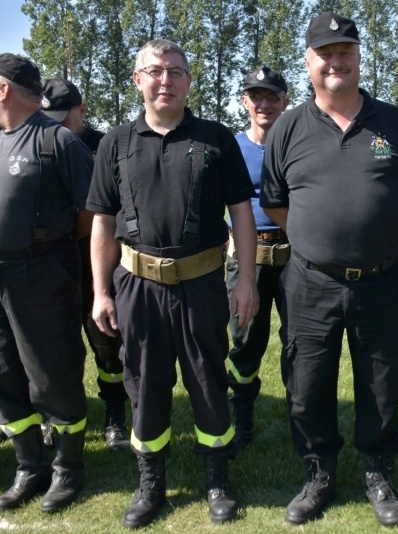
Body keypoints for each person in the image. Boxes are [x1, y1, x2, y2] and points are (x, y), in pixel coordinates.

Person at [260, 12, 398, 527]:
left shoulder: (394, 122)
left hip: (381, 281)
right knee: (307, 384)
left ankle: (378, 471)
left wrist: (369, 237)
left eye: (345, 52)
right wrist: (321, 241)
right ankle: (319, 473)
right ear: (308, 61)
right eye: (325, 53)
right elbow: (276, 203)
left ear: (358, 57)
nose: (336, 62)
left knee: (382, 382)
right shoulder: (288, 127)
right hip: (310, 282)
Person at [87, 39, 259, 528]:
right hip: (137, 286)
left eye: (176, 72)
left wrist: (246, 280)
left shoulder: (216, 138)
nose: (166, 81)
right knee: (144, 383)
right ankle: (151, 482)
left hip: (202, 283)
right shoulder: (115, 143)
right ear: (138, 79)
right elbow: (103, 222)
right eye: (156, 71)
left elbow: (242, 214)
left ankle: (217, 479)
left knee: (208, 380)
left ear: (188, 80)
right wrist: (101, 291)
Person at [0, 53, 93, 513]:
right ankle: (30, 465)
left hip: (42, 272)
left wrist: (49, 246)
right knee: (1, 371)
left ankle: (68, 468)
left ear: (3, 88)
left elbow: (91, 212)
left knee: (52, 374)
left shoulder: (58, 141)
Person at [42, 77, 131, 451]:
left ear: (83, 109)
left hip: (96, 259)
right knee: (53, 347)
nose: (57, 125)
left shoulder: (104, 145)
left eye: (64, 117)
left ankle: (115, 416)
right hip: (51, 262)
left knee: (108, 345)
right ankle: (54, 417)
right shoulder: (40, 143)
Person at [226, 66, 290, 450]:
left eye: (272, 96)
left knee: (299, 342)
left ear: (285, 101)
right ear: (245, 102)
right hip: (248, 259)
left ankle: (302, 419)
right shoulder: (231, 147)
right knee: (245, 341)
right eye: (256, 96)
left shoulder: (298, 144)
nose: (264, 104)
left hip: (294, 256)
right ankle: (243, 419)